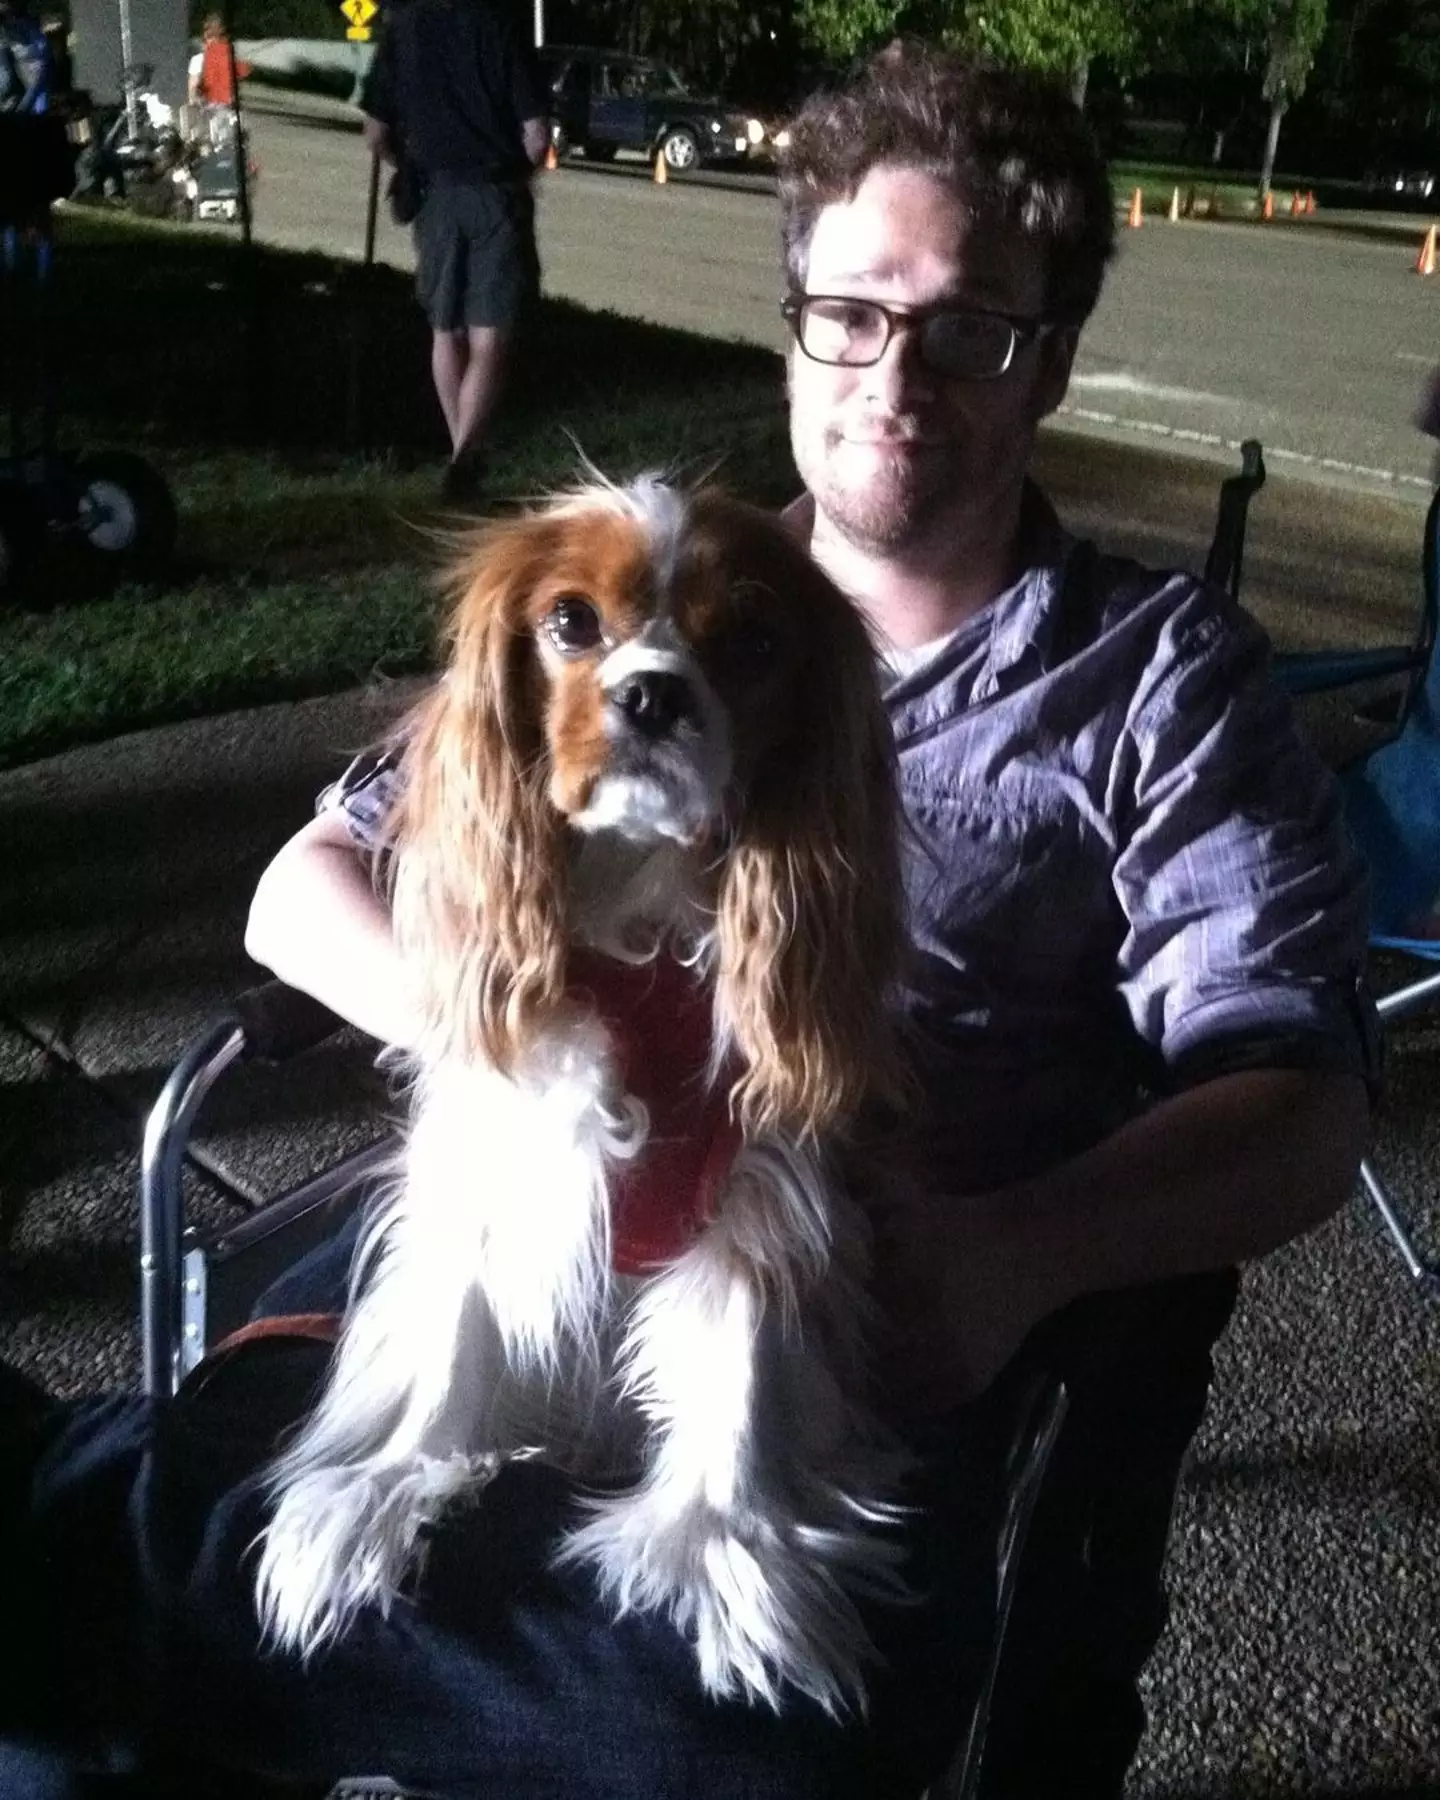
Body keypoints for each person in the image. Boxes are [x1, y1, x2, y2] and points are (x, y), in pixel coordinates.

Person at [0, 44, 1375, 1800]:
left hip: (844, 1348)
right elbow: (301, 887)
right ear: (795, 320)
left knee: (663, 1726)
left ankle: (97, 1544)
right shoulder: (619, 586)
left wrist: (1020, 1251)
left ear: (1051, 359)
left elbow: (1304, 1099)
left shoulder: (1154, 681)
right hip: (502, 1279)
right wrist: (528, 1043)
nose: (898, 376)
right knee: (147, 1652)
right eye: (854, 316)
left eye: (967, 327)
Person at [358, 0, 550, 503]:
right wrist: (530, 173)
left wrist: (412, 163)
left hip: (434, 197)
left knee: (446, 330)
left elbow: (375, 133)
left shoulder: (405, 24)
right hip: (495, 193)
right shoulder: (499, 23)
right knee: (491, 338)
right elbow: (536, 136)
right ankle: (466, 458)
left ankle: (461, 455)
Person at [186, 12, 250, 110]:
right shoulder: (229, 56)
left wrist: (193, 100)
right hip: (226, 106)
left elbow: (193, 89)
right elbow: (243, 72)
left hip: (213, 107)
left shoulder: (199, 60)